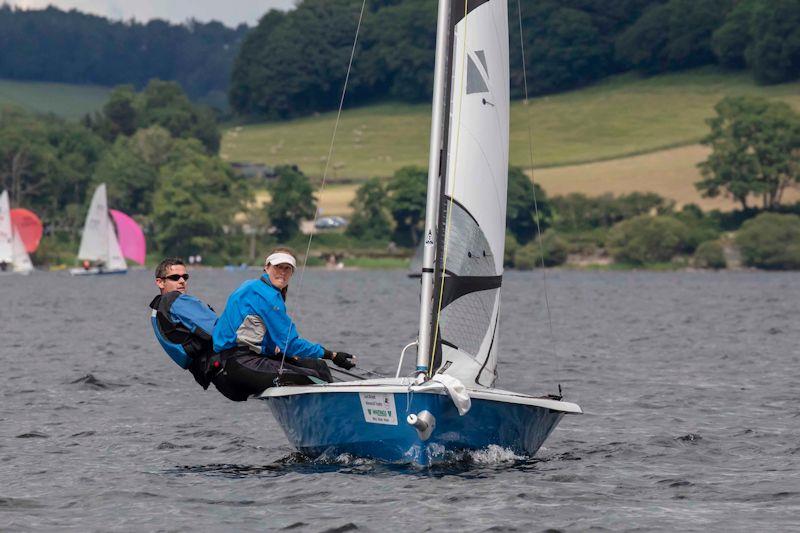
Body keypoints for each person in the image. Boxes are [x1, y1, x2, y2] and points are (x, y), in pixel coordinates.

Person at [212, 247, 357, 401]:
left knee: (318, 366)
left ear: (292, 273)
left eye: (287, 268)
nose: (282, 272)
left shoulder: (251, 286)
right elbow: (290, 344)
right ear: (266, 267)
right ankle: (329, 417)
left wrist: (279, 353)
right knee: (316, 377)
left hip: (235, 360)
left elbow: (254, 333)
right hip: (240, 363)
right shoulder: (267, 296)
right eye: (278, 267)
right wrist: (331, 355)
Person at [149, 257, 221, 390]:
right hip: (226, 363)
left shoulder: (158, 309)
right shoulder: (174, 300)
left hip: (213, 374)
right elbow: (218, 331)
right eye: (175, 277)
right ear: (160, 282)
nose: (182, 281)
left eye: (184, 277)